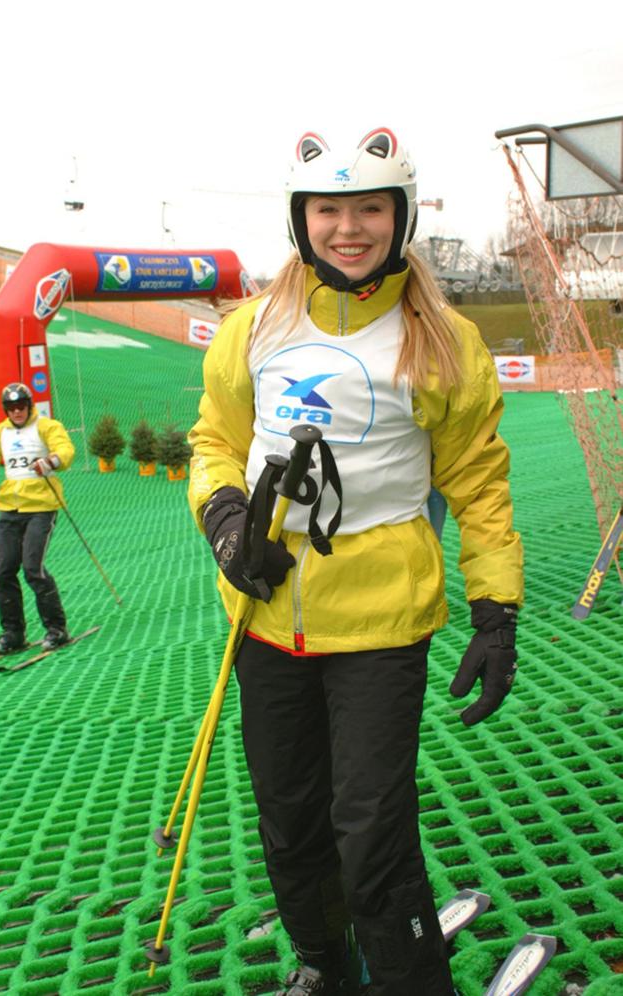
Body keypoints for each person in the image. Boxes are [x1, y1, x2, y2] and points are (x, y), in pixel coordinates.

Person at [187, 126, 523, 996]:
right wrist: (226, 519)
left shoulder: (441, 339)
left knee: (370, 830)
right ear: (302, 221)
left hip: (380, 624)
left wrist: (498, 611)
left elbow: (478, 483)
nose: (349, 227)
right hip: (267, 617)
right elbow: (214, 441)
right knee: (291, 826)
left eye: (369, 208)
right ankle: (327, 967)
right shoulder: (254, 327)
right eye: (328, 209)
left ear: (399, 215)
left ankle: (411, 980)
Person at [0, 382, 75, 654]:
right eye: (11, 407)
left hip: (41, 507)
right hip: (10, 509)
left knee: (33, 568)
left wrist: (51, 461)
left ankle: (57, 629)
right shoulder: (0, 433)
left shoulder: (47, 426)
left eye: (21, 405)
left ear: (29, 404)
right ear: (6, 410)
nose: (17, 411)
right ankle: (13, 634)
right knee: (3, 573)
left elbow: (65, 450)